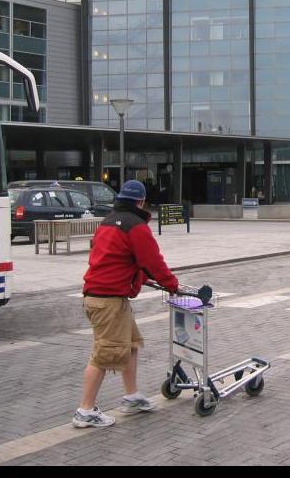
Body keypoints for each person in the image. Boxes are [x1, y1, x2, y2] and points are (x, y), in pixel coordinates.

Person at [72, 179, 179, 428]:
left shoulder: (108, 221)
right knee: (104, 354)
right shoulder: (136, 226)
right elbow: (153, 261)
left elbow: (118, 259)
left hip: (101, 296)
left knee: (130, 344)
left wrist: (139, 277)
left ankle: (132, 397)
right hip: (108, 300)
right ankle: (85, 411)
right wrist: (171, 284)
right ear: (141, 201)